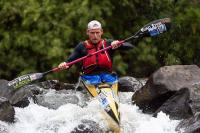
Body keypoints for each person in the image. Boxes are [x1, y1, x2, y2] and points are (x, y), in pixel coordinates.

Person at [58, 20, 133, 88]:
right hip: (90, 77)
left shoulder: (108, 43)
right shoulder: (82, 46)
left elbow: (130, 47)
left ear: (101, 32)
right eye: (92, 33)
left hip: (107, 76)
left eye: (97, 32)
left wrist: (119, 44)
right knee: (95, 81)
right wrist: (64, 64)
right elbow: (70, 61)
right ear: (87, 32)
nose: (95, 36)